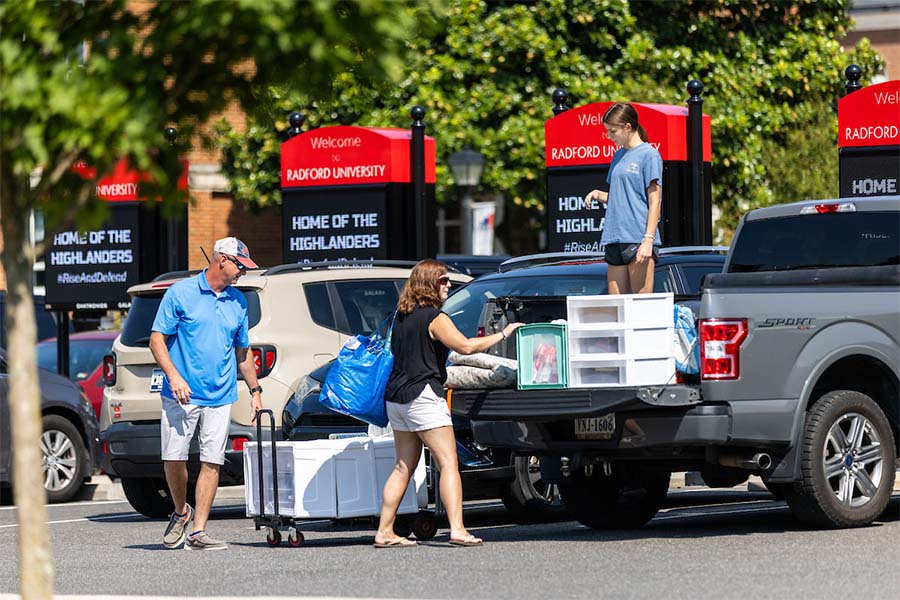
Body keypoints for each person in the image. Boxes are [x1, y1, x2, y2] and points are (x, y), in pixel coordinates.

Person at [374, 259, 522, 548]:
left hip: (396, 398)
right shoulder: (434, 317)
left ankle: (385, 531)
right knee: (448, 462)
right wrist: (504, 333)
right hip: (423, 397)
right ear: (429, 283)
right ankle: (458, 529)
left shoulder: (400, 316)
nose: (449, 285)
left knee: (403, 466)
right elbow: (465, 347)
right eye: (443, 280)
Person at [149, 237, 263, 551]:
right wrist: (174, 377)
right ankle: (181, 511)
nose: (243, 272)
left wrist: (255, 391)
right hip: (181, 394)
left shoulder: (238, 301)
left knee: (212, 461)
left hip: (221, 394)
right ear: (221, 260)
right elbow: (157, 340)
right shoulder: (181, 293)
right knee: (174, 458)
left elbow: (243, 353)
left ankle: (199, 530)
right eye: (240, 265)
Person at [585, 102, 663, 294]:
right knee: (616, 308)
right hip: (614, 237)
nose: (609, 136)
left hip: (637, 238)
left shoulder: (649, 155)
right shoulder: (618, 155)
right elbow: (622, 196)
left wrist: (648, 241)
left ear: (628, 127)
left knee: (641, 308)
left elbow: (655, 201)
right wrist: (598, 194)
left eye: (612, 131)